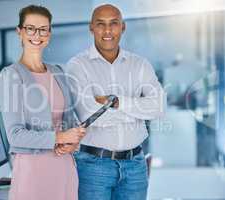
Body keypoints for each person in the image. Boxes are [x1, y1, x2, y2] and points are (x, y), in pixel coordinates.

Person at [63, 4, 166, 200]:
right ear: (91, 27)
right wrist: (139, 110)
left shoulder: (140, 64)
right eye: (101, 24)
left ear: (123, 27)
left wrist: (117, 103)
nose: (108, 30)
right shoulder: (77, 66)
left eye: (114, 24)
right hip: (93, 167)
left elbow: (159, 108)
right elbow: (90, 116)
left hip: (135, 166)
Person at [0, 5, 85, 200]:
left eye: (43, 29)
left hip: (65, 170)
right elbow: (15, 136)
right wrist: (60, 137)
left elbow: (70, 122)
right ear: (19, 32)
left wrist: (73, 143)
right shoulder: (11, 75)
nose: (37, 35)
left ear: (49, 33)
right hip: (33, 174)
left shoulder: (58, 72)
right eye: (30, 28)